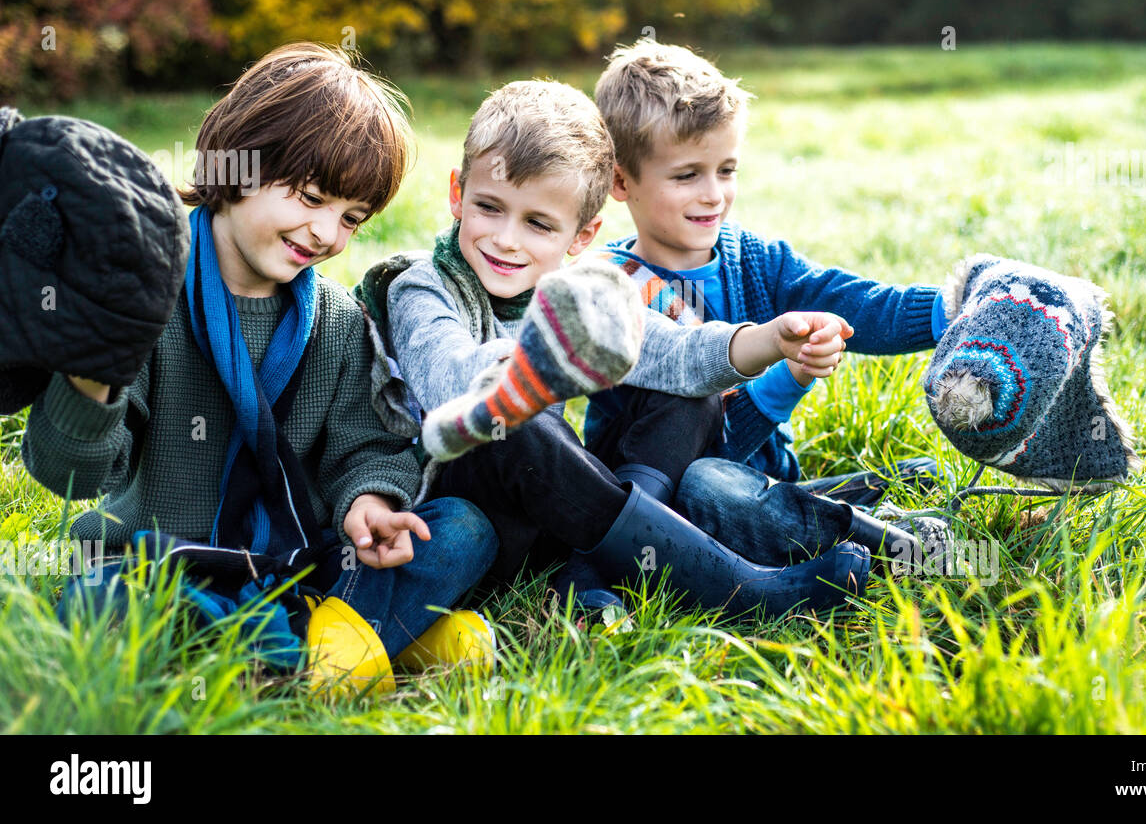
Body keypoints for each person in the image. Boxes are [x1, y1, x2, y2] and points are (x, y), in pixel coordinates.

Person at [21, 42, 497, 688]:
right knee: (100, 600)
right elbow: (71, 474)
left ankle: (318, 643)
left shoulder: (336, 320)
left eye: (351, 218)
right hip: (164, 561)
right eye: (309, 197)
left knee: (464, 528)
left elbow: (370, 444)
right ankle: (372, 635)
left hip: (300, 561)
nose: (327, 232)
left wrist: (372, 501)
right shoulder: (139, 294)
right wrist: (92, 373)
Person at [362, 79, 877, 619]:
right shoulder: (421, 286)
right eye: (489, 208)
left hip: (552, 518)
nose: (507, 239)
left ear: (582, 237)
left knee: (684, 395)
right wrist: (547, 361)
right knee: (513, 419)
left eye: (538, 223)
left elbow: (675, 354)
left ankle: (588, 573)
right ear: (456, 194)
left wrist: (770, 338)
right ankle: (742, 589)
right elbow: (449, 381)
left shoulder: (576, 286)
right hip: (459, 516)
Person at [587, 38, 952, 567]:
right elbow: (709, 448)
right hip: (667, 502)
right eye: (687, 174)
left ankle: (822, 506)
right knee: (707, 487)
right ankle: (882, 539)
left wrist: (951, 310)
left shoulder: (753, 257)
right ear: (620, 180)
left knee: (746, 491)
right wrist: (789, 380)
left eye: (727, 170)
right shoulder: (611, 287)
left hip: (762, 477)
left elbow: (853, 301)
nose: (714, 194)